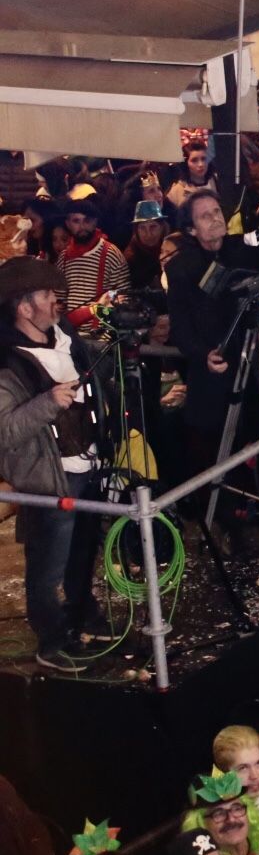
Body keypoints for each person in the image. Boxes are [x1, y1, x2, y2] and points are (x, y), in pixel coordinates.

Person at [0, 256, 111, 670]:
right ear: (23, 307)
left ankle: (82, 612)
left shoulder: (65, 338)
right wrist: (48, 403)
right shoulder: (7, 363)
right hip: (49, 480)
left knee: (83, 550)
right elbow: (4, 431)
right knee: (47, 566)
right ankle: (51, 641)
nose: (55, 301)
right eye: (47, 295)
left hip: (86, 467)